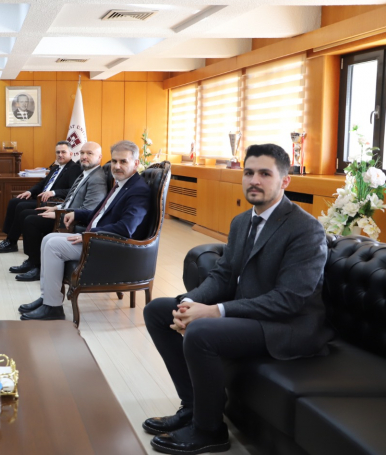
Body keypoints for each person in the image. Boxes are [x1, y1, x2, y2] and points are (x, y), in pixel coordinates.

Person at [142, 144, 332, 455]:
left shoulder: (305, 229)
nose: (254, 180)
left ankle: (210, 430)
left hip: (288, 326)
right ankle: (192, 407)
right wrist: (189, 302)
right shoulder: (242, 221)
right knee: (158, 310)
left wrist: (215, 311)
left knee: (201, 331)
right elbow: (223, 275)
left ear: (285, 181)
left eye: (265, 174)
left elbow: (288, 300)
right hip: (252, 314)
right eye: (249, 173)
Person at [19, 140, 151, 321]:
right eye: (114, 161)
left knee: (53, 245)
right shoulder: (122, 183)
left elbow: (126, 228)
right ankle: (47, 298)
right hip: (97, 238)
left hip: (112, 246)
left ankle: (53, 308)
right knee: (48, 238)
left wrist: (89, 235)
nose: (117, 166)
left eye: (123, 161)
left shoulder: (138, 190)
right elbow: (101, 213)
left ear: (135, 163)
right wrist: (76, 213)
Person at [9, 141, 108, 281]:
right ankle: (32, 260)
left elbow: (89, 210)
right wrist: (56, 208)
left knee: (31, 221)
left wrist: (58, 214)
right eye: (82, 153)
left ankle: (37, 267)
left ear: (99, 157)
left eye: (89, 153)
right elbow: (71, 198)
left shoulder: (97, 179)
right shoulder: (86, 173)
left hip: (73, 220)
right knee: (26, 213)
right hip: (65, 211)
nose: (84, 156)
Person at [0, 141, 81, 253]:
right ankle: (9, 239)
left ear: (71, 154)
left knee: (21, 206)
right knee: (14, 201)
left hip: (53, 202)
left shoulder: (74, 168)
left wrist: (53, 192)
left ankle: (11, 241)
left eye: (63, 152)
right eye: (58, 152)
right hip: (41, 198)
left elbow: (73, 190)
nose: (60, 155)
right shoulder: (56, 168)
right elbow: (42, 184)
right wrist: (30, 191)